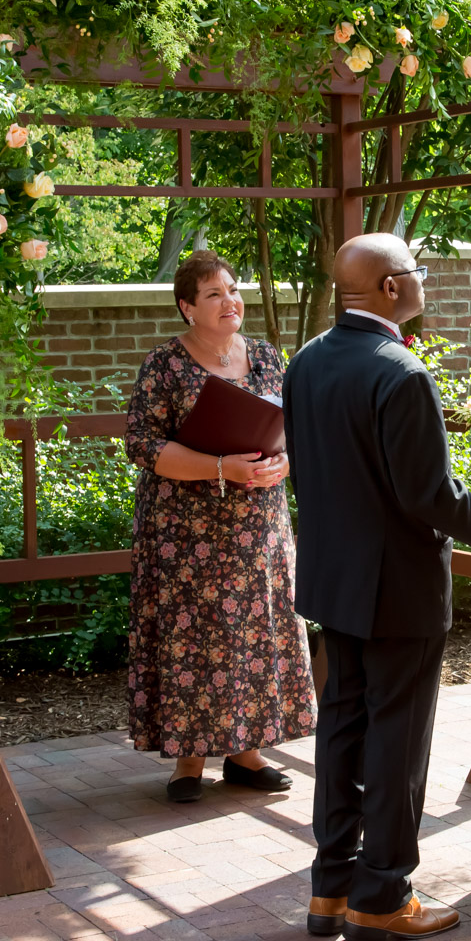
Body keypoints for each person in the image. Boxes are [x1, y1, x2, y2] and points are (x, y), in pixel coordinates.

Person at [283, 233, 471, 941]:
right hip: (398, 587)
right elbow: (430, 495)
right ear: (392, 288)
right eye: (417, 271)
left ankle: (331, 889)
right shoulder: (400, 372)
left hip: (335, 581)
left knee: (342, 730)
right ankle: (383, 895)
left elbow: (308, 474)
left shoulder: (305, 363)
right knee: (398, 740)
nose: (424, 282)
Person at [124, 250, 316, 804]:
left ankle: (246, 753)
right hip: (186, 533)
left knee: (253, 634)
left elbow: (292, 427)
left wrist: (286, 461)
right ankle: (189, 759)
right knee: (195, 638)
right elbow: (143, 444)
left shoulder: (265, 356)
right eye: (214, 294)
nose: (230, 300)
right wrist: (219, 468)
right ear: (188, 307)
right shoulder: (164, 365)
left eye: (233, 290)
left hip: (258, 527)